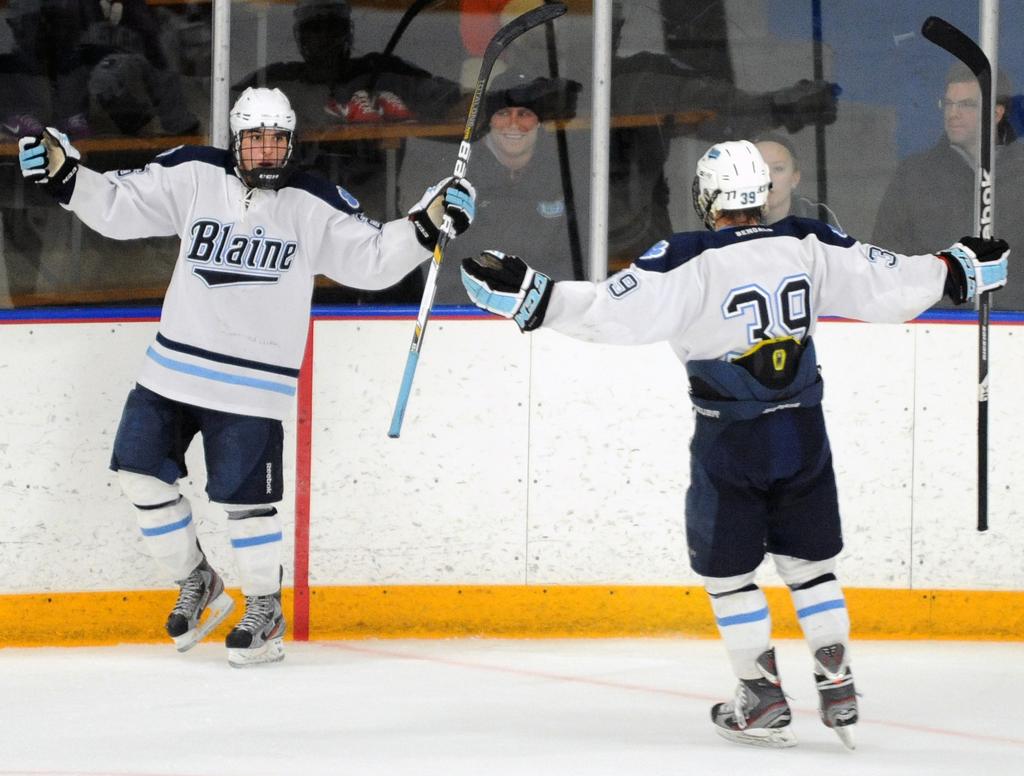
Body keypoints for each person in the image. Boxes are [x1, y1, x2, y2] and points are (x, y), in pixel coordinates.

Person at [460, 139, 1008, 748]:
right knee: (811, 566)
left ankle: (762, 695)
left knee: (728, 574)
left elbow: (611, 312)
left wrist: (535, 296)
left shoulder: (685, 256)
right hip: (803, 432)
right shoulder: (808, 240)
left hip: (731, 441)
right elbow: (892, 286)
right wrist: (958, 266)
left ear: (708, 197)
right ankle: (838, 683)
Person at [17, 87, 476, 665]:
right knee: (138, 474)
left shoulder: (313, 201)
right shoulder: (193, 174)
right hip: (171, 369)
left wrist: (429, 221)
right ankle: (198, 581)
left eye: (277, 140)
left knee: (245, 506)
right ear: (236, 140)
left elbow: (373, 256)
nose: (266, 151)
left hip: (254, 386)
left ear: (291, 142)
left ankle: (264, 608)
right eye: (255, 139)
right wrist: (65, 173)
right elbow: (116, 205)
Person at [405, 70, 583, 304]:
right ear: (489, 119)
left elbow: (573, 257)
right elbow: (436, 260)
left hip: (538, 308)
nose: (513, 124)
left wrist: (542, 301)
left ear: (539, 121)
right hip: (468, 311)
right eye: (502, 113)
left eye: (525, 113)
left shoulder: (562, 172)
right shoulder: (457, 176)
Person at [872, 63, 1024, 306]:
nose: (953, 113)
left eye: (966, 104)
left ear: (997, 113)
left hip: (1014, 321)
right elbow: (886, 255)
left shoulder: (1021, 173)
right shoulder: (914, 174)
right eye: (949, 103)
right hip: (929, 324)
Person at [754, 133, 842, 230]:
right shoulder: (734, 216)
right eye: (758, 169)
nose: (767, 178)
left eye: (778, 168)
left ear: (795, 178)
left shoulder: (814, 213)